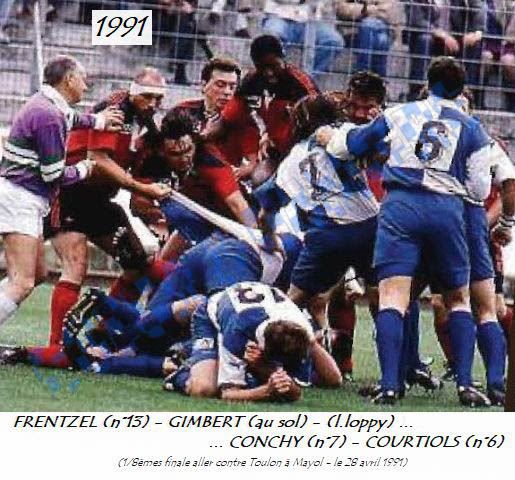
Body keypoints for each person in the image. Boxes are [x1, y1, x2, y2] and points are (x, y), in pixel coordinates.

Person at [317, 56, 495, 406]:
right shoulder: (472, 127)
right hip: (446, 211)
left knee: (392, 297)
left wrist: (330, 137)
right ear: (461, 89)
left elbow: (351, 146)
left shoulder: (400, 113)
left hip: (400, 207)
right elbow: (479, 189)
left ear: (427, 83)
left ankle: (389, 385)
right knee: (457, 299)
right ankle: (464, 383)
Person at [28, 67, 171, 368]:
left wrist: (153, 210)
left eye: (159, 98)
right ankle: (58, 348)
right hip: (69, 193)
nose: (153, 103)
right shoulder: (115, 109)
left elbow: (139, 179)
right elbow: (99, 160)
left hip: (100, 201)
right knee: (75, 265)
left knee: (137, 264)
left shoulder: (147, 126)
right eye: (147, 96)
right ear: (133, 92)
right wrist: (140, 188)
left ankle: (102, 336)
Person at [0, 55, 121, 340]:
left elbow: (72, 117)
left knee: (38, 273)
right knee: (22, 282)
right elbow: (53, 175)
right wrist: (86, 168)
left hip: (24, 196)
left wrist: (99, 121)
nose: (86, 86)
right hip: (20, 198)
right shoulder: (48, 115)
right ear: (68, 80)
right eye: (83, 79)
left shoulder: (48, 104)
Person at [162, 281, 342, 401]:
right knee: (203, 389)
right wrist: (266, 389)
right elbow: (229, 394)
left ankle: (242, 370)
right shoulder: (238, 332)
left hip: (263, 308)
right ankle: (181, 372)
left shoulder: (301, 331)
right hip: (213, 316)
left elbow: (297, 392)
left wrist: (271, 374)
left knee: (333, 379)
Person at [204, 35, 320, 185]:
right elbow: (229, 117)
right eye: (262, 67)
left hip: (302, 151)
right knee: (259, 179)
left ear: (282, 58)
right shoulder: (252, 82)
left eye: (273, 66)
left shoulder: (301, 85)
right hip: (274, 152)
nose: (269, 72)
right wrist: (204, 136)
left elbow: (320, 125)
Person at [261, 0, 344, 79]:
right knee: (271, 38)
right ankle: (273, 79)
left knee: (333, 41)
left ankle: (304, 80)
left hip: (311, 21)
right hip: (278, 17)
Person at [336, 0, 403, 77]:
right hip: (353, 33)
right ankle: (378, 79)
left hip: (380, 30)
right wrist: (369, 9)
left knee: (372, 28)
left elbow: (389, 11)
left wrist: (363, 11)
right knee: (379, 37)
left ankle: (362, 72)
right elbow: (342, 9)